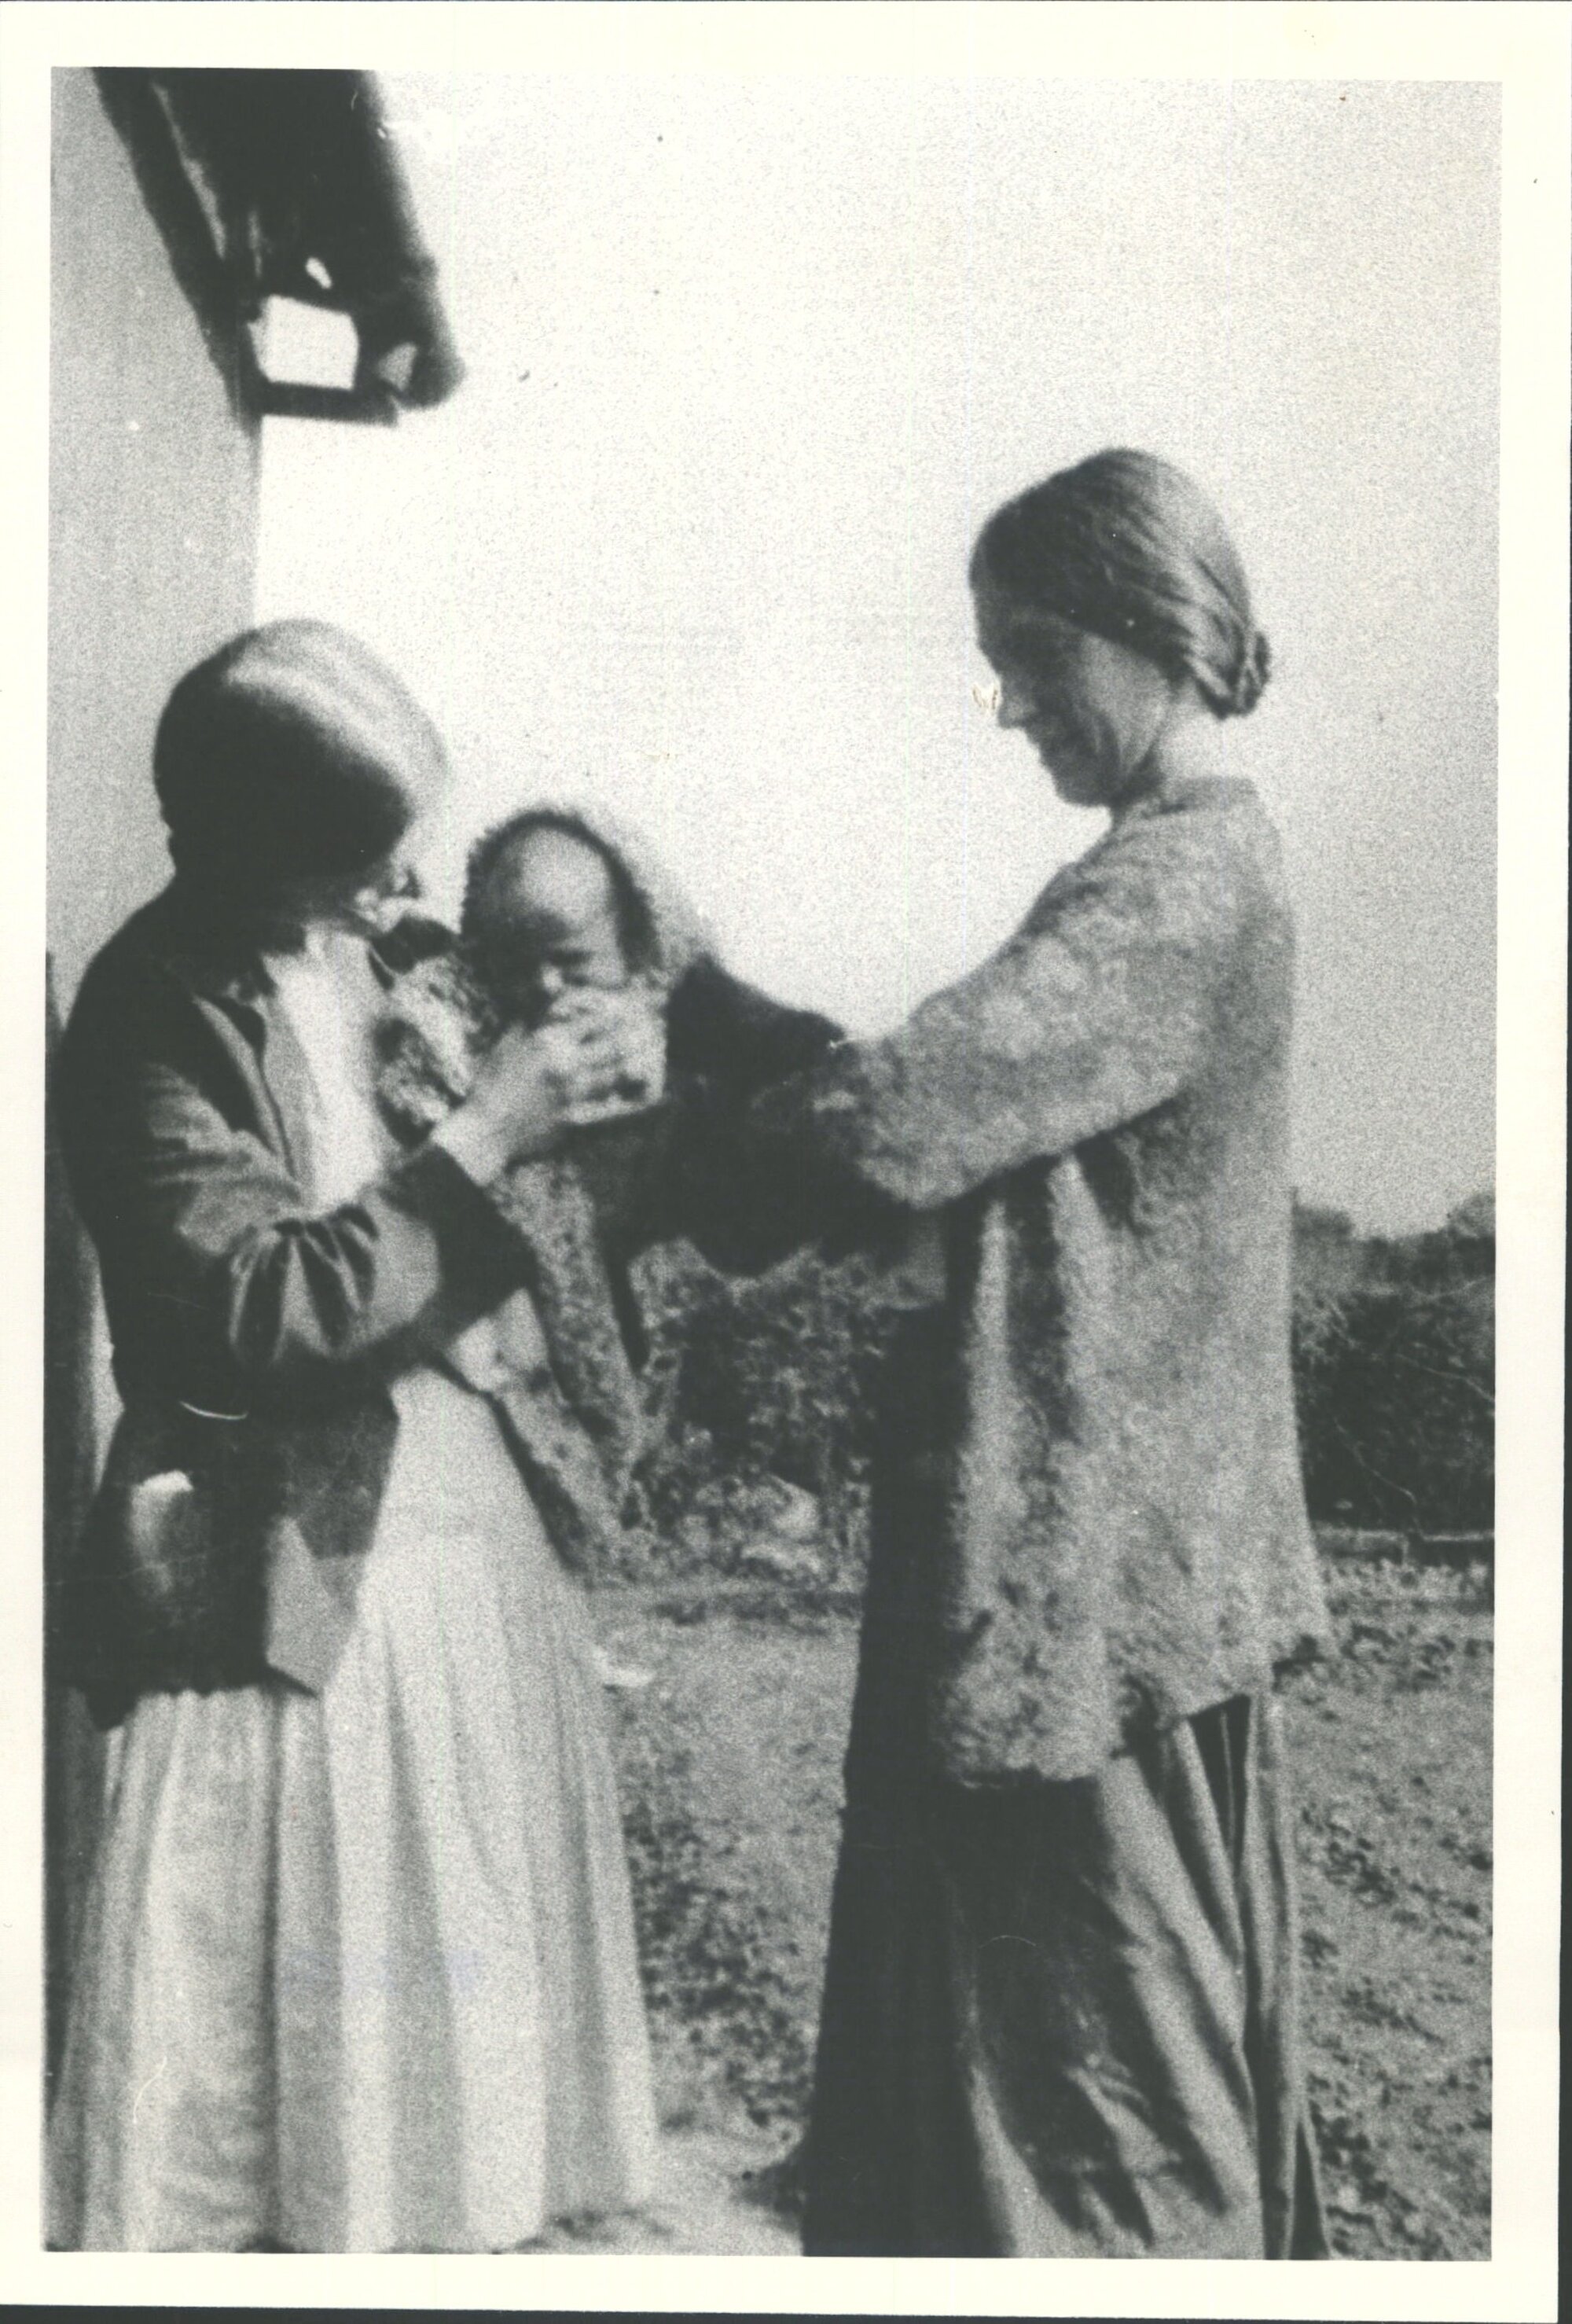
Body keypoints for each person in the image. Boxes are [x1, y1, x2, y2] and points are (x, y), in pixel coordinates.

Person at [733, 450, 1334, 2257]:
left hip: (1094, 1584)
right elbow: (947, 1094)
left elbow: (903, 1108)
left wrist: (668, 1101)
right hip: (1111, 1561)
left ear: (1153, 630)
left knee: (1106, 2099)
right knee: (1072, 2049)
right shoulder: (1165, 874)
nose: (1006, 702)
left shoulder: (1177, 886)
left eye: (1033, 649)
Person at [46, 623, 662, 2252]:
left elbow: (488, 1200)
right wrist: (484, 1136)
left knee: (457, 2070)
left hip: (449, 1555)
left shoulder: (353, 964)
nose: (401, 901)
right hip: (291, 1576)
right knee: (276, 2083)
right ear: (253, 841)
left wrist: (584, 1093)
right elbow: (252, 1315)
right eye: (366, 867)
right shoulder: (146, 1013)